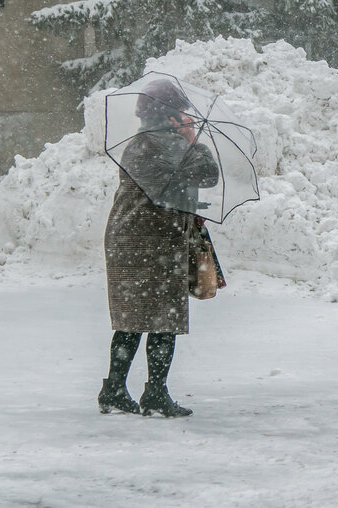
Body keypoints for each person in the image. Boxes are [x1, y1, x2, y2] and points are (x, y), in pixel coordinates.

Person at [98, 79, 219, 417]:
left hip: (143, 241)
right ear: (167, 114)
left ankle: (116, 391)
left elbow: (184, 182)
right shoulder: (153, 145)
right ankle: (150, 394)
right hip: (147, 245)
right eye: (181, 111)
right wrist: (192, 140)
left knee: (138, 318)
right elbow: (206, 173)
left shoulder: (151, 143)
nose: (186, 118)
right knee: (159, 318)